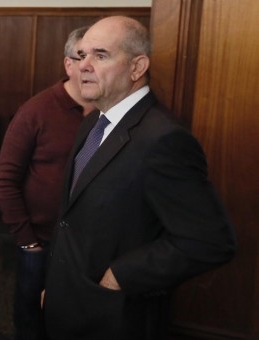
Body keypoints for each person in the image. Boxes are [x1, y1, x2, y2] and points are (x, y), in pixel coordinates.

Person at [42, 16, 236, 339]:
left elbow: (210, 241)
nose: (83, 66)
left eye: (100, 55)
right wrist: (56, 287)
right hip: (68, 301)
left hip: (113, 317)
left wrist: (119, 275)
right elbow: (71, 218)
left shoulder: (164, 141)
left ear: (137, 67)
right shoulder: (93, 122)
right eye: (81, 55)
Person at [0, 26, 94, 340]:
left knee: (77, 320)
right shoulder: (36, 111)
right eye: (83, 57)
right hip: (41, 241)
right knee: (31, 319)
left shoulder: (110, 112)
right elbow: (4, 180)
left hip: (89, 243)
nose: (91, 66)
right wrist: (28, 242)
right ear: (68, 64)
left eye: (101, 56)